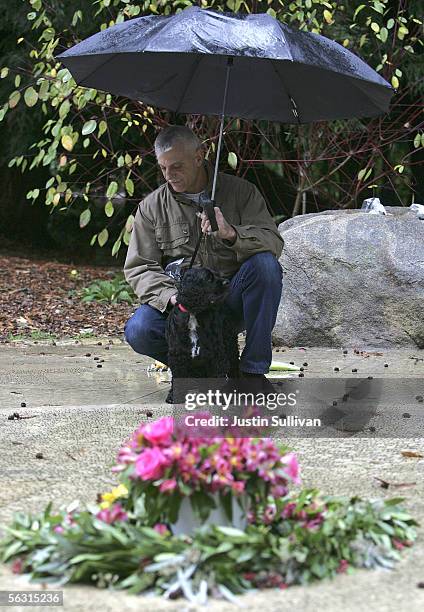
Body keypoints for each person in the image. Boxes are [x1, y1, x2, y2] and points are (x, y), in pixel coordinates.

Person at [123, 125, 283, 385]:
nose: (169, 176)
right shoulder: (151, 207)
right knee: (139, 330)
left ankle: (252, 371)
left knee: (265, 266)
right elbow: (140, 267)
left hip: (228, 298)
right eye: (163, 168)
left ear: (199, 156)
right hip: (183, 305)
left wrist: (231, 234)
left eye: (176, 166)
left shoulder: (241, 193)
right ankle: (196, 369)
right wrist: (171, 297)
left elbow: (273, 241)